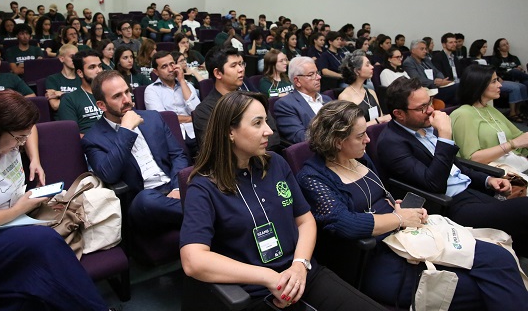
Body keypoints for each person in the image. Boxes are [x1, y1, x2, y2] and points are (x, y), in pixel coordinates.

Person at [297, 100, 528, 309]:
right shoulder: (313, 178)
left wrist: (397, 208)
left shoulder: (358, 157)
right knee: (479, 287)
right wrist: (398, 218)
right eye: (360, 136)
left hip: (406, 236)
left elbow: (379, 193)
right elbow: (346, 224)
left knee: (500, 257)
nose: (368, 140)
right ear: (338, 142)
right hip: (374, 257)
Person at [180, 91, 384, 311]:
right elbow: (193, 261)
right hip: (255, 291)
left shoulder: (275, 163)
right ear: (230, 131)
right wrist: (268, 277)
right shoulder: (204, 186)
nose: (269, 130)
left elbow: (305, 220)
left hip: (302, 274)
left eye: (266, 121)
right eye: (257, 123)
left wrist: (300, 265)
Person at [0, 90, 110, 310]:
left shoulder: (5, 141)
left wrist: (35, 159)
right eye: (19, 137)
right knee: (43, 242)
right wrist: (17, 210)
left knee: (34, 283)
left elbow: (28, 129)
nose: (22, 143)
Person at [378, 77, 528, 257]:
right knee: (523, 209)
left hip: (472, 191)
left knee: (519, 229)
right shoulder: (391, 143)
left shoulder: (425, 127)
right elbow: (434, 184)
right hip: (449, 204)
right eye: (422, 107)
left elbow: (456, 166)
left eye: (429, 102)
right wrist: (445, 136)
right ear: (399, 114)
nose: (431, 110)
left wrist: (488, 180)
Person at [82, 70, 188, 232]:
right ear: (101, 105)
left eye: (127, 92)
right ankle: (206, 211)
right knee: (146, 200)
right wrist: (126, 130)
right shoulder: (93, 139)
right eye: (117, 96)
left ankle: (198, 213)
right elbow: (109, 175)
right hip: (143, 200)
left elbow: (178, 155)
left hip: (173, 187)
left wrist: (177, 189)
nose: (126, 99)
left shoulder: (153, 118)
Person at [451, 64, 528, 167]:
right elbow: (472, 158)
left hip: (515, 163)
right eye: (494, 81)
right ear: (479, 85)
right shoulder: (462, 115)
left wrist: (516, 143)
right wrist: (512, 144)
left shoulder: (489, 109)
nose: (500, 85)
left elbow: (520, 137)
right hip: (495, 172)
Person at [145, 50, 200, 144]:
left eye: (172, 64)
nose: (170, 69)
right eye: (164, 66)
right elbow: (162, 118)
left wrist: (182, 81)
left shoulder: (186, 85)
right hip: (172, 137)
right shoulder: (151, 90)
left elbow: (198, 111)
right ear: (156, 72)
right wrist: (191, 118)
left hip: (196, 132)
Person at [274, 57, 332, 144]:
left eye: (317, 73)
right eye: (311, 74)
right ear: (297, 81)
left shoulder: (327, 99)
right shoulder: (285, 105)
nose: (319, 77)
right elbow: (301, 137)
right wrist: (334, 137)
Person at [469, 40, 528, 122]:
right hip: (493, 81)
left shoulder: (486, 59)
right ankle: (512, 113)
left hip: (497, 79)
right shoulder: (471, 60)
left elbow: (492, 71)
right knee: (515, 85)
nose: (485, 49)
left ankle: (518, 111)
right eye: (483, 47)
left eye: (486, 47)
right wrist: (498, 77)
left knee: (523, 85)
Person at [56, 50, 103, 136]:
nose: (99, 71)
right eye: (92, 67)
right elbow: (71, 135)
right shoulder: (69, 99)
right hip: (90, 142)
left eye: (100, 66)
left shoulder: (109, 93)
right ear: (80, 73)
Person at [338, 50, 390, 126]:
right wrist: (378, 120)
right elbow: (352, 128)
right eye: (367, 65)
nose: (372, 67)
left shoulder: (371, 92)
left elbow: (381, 116)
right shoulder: (345, 97)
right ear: (357, 71)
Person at [402, 39, 458, 105]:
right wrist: (434, 82)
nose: (425, 51)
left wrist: (441, 79)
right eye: (422, 49)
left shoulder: (426, 60)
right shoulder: (408, 62)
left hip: (437, 87)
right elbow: (417, 79)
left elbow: (437, 72)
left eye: (425, 49)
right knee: (457, 87)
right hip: (427, 91)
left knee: (458, 87)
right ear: (413, 50)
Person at [45, 44, 81, 112]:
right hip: (63, 116)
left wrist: (62, 94)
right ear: (62, 59)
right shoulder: (52, 79)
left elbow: (86, 100)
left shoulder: (82, 78)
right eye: (71, 57)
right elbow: (55, 105)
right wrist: (78, 98)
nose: (75, 60)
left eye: (76, 57)